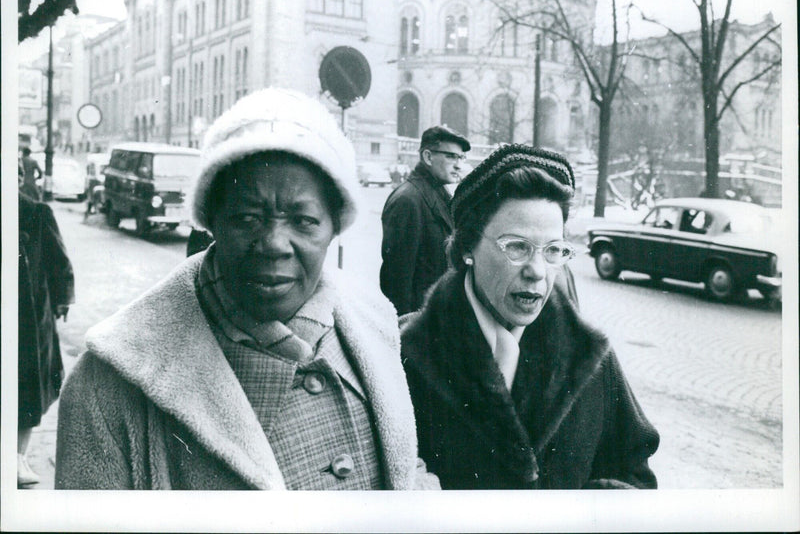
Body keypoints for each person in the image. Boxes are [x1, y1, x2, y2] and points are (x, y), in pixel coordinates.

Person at [55, 88, 439, 490]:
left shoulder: (373, 321)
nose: (274, 243)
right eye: (246, 217)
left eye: (304, 220)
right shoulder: (106, 386)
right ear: (211, 221)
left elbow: (403, 466)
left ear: (334, 228)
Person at [401, 144, 659, 489]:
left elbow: (632, 473)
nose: (538, 271)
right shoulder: (402, 352)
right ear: (466, 248)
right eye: (517, 247)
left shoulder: (592, 358)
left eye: (553, 250)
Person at [379, 125, 470, 316]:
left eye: (461, 158)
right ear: (428, 157)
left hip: (436, 315)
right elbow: (396, 281)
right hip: (418, 322)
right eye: (451, 156)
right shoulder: (408, 200)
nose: (458, 165)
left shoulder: (437, 193)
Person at [18, 189, 75, 486]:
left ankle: (17, 456)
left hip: (29, 317)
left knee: (29, 388)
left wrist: (63, 299)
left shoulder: (36, 212)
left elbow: (59, 260)